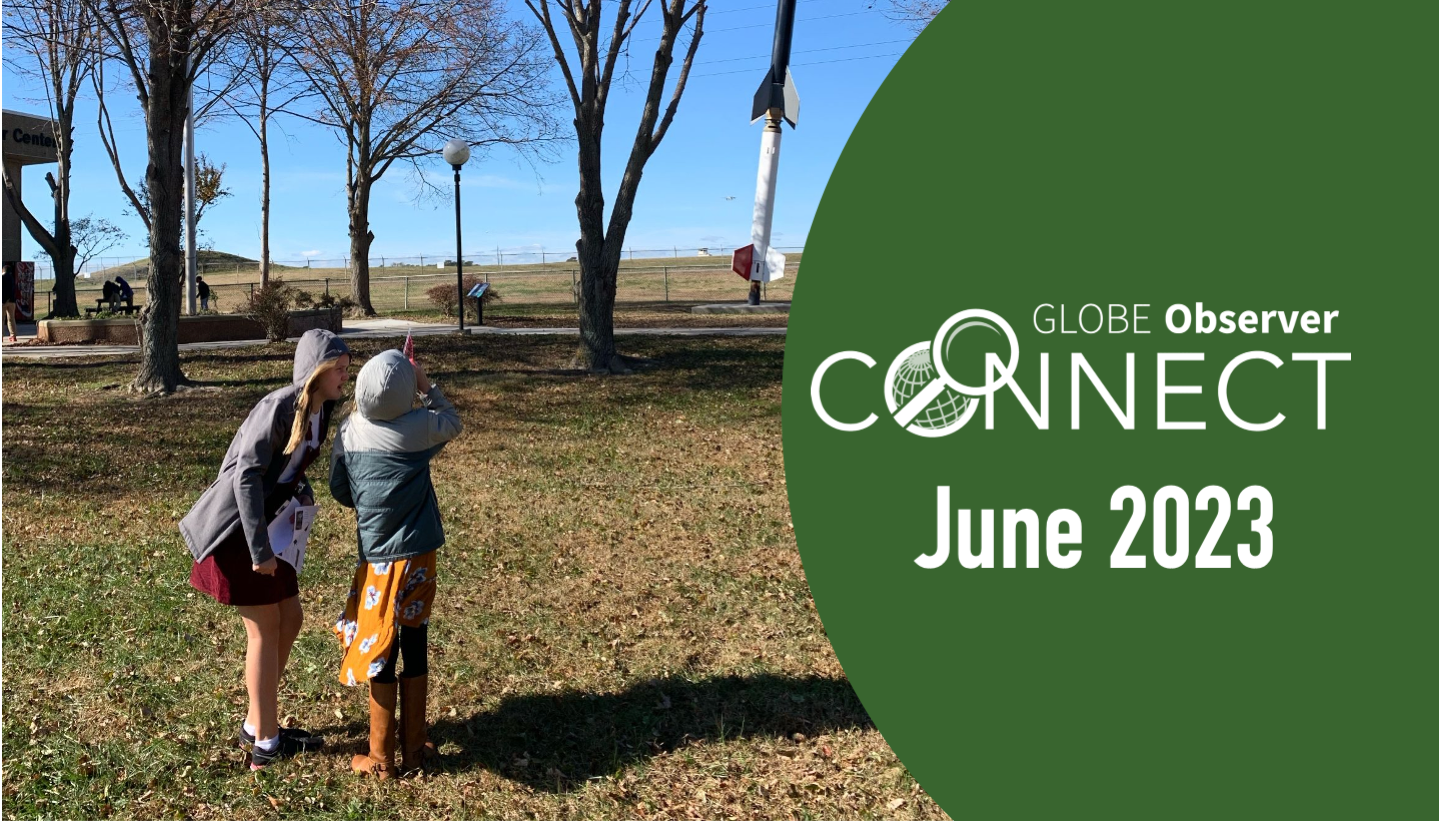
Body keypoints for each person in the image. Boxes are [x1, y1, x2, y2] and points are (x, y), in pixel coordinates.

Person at [180, 329, 353, 770]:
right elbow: (245, 479)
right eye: (339, 367)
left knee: (290, 618)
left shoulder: (320, 410)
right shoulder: (279, 407)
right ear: (316, 370)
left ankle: (259, 722)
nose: (344, 376)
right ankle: (267, 744)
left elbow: (288, 468)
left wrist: (302, 496)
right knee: (264, 627)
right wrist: (259, 551)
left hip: (270, 529)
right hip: (239, 532)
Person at [330, 349, 462, 779]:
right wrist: (425, 384)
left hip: (378, 561)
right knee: (414, 634)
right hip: (420, 553)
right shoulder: (419, 428)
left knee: (379, 642)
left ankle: (381, 757)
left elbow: (339, 489)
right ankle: (413, 750)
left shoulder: (347, 432)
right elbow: (450, 419)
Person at [2, 261, 19, 342]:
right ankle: (13, 336)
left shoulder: (2, 277)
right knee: (11, 319)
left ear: (3, 270)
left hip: (3, 301)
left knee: (1, 319)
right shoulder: (12, 278)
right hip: (12, 301)